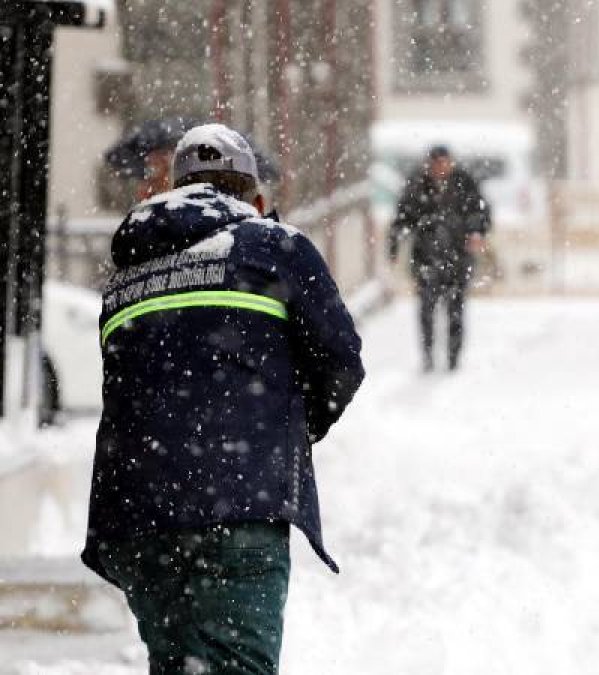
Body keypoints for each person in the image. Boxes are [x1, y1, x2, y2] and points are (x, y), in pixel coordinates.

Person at [81, 123, 365, 674]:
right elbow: (341, 362)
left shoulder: (127, 273)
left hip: (135, 517)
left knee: (177, 664)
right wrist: (286, 425)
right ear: (256, 199)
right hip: (234, 507)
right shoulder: (274, 246)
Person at [388, 145, 490, 372]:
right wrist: (394, 246)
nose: (440, 169)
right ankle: (428, 356)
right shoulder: (417, 186)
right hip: (426, 258)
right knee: (426, 309)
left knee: (455, 309)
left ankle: (453, 358)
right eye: (435, 164)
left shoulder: (464, 183)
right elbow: (403, 218)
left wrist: (475, 232)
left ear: (450, 163)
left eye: (444, 163)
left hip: (458, 257)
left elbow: (480, 212)